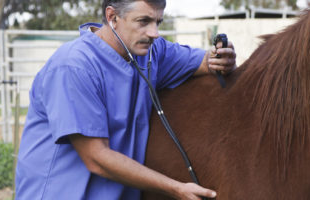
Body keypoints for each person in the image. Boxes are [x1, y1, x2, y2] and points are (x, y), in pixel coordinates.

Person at [14, 0, 236, 199]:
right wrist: (175, 188)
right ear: (112, 18)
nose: (154, 33)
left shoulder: (151, 52)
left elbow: (205, 62)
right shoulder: (73, 66)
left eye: (158, 22)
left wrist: (222, 59)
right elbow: (96, 158)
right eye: (144, 21)